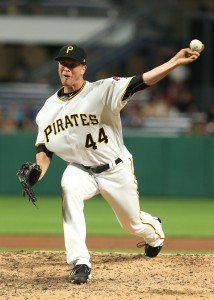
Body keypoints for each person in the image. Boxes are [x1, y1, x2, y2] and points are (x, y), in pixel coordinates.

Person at [35, 44, 204, 284]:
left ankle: (154, 232)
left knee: (132, 223)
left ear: (83, 68)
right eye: (63, 63)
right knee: (69, 188)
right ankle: (80, 262)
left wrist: (174, 62)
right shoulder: (47, 110)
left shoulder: (103, 89)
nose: (66, 68)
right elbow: (44, 148)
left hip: (114, 168)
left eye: (72, 64)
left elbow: (140, 81)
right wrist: (37, 172)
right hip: (80, 169)